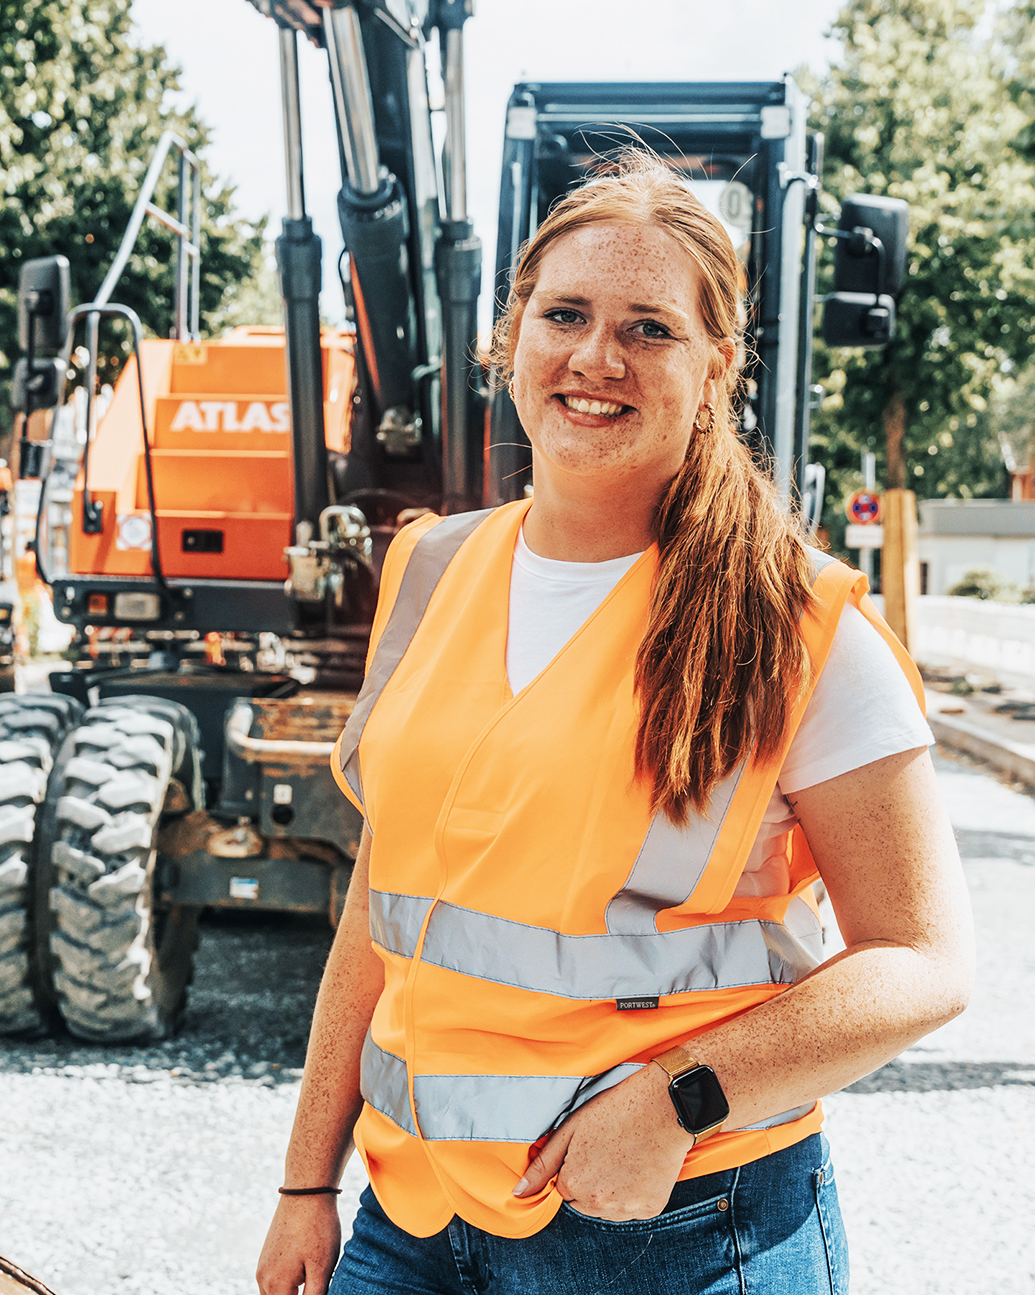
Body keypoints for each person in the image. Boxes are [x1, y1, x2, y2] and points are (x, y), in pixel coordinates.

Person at [256, 153, 974, 1295]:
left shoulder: (794, 621)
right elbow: (385, 905)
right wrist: (306, 1182)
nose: (596, 358)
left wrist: (683, 1097)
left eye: (649, 328)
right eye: (567, 315)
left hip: (673, 1225)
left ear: (715, 366)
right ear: (510, 337)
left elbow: (923, 960)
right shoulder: (433, 567)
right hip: (412, 1214)